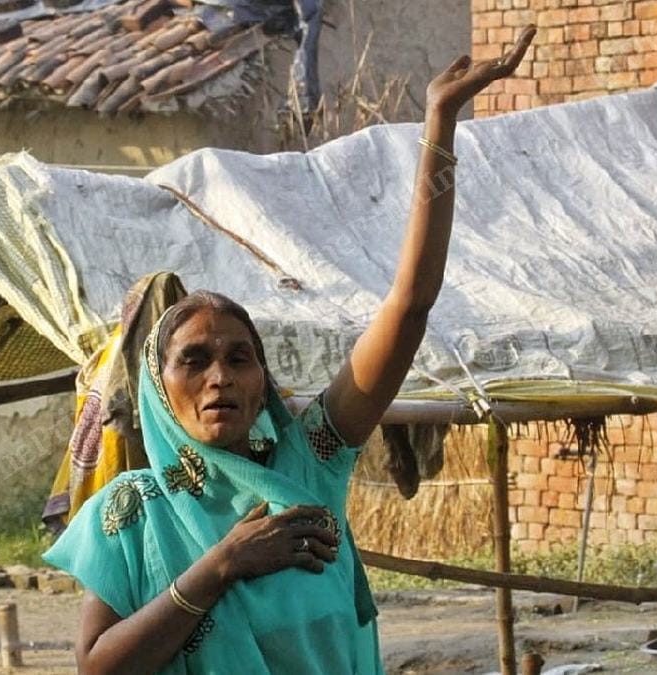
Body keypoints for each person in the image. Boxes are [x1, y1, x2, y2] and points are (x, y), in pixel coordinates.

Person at [43, 27, 538, 675]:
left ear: (261, 379)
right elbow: (96, 667)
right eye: (194, 359)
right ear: (158, 387)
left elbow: (410, 305)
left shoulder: (309, 464)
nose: (220, 375)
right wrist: (222, 563)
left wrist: (439, 124)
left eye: (239, 357)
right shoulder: (132, 509)